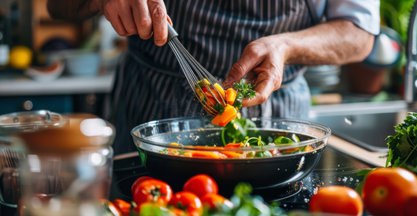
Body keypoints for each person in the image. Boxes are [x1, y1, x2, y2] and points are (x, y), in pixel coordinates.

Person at [47, 0, 379, 154]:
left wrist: (287, 45)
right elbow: (58, 6)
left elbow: (359, 34)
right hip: (150, 111)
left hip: (278, 120)